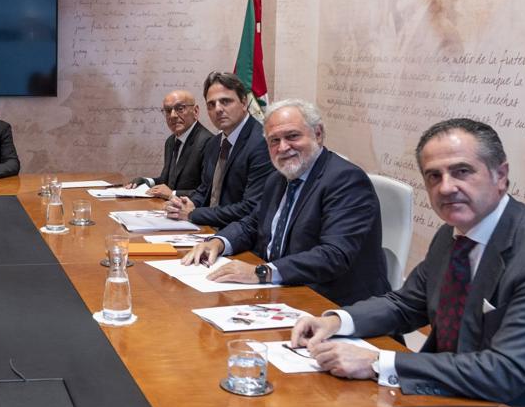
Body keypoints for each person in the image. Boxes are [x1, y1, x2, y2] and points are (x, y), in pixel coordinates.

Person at [291, 118, 525, 407]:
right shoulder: (453, 234)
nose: (446, 187)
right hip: (462, 406)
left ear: (501, 176)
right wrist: (336, 321)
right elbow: (407, 303)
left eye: (462, 171)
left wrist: (378, 362)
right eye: (433, 176)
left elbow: (504, 371)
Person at [182, 99, 388, 307]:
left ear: (318, 134)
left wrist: (261, 272)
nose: (283, 147)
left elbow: (333, 255)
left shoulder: (346, 180)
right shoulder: (278, 178)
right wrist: (217, 242)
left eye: (292, 136)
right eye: (274, 140)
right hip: (282, 293)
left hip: (332, 304)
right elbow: (252, 224)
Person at [165, 72, 273, 227]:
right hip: (207, 229)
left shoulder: (261, 143)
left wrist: (193, 213)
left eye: (225, 101)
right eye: (211, 104)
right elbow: (204, 190)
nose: (218, 109)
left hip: (242, 238)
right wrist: (182, 205)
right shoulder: (214, 143)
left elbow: (250, 207)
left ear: (244, 102)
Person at [125, 89, 213, 200]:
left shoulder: (208, 142)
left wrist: (173, 194)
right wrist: (146, 181)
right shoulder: (171, 141)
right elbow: (167, 181)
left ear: (195, 111)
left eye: (180, 109)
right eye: (167, 110)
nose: (172, 115)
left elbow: (208, 192)